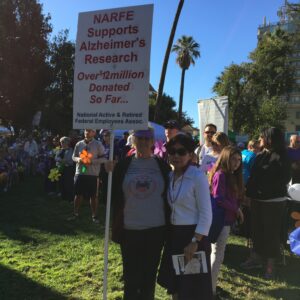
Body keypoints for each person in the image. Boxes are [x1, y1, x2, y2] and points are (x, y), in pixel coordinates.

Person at [111, 127, 171, 300]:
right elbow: (112, 195)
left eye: (147, 138)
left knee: (148, 276)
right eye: (140, 138)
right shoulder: (123, 166)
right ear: (133, 140)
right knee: (130, 276)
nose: (144, 142)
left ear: (153, 141)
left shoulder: (162, 166)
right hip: (130, 228)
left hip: (156, 229)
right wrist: (107, 172)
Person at [158, 134, 213, 300]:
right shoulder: (170, 176)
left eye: (181, 152)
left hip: (193, 236)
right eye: (172, 151)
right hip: (175, 235)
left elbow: (206, 213)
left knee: (191, 287)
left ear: (191, 155)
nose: (176, 155)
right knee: (176, 283)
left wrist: (195, 242)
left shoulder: (197, 177)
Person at [242, 127, 291, 279]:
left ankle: (270, 265)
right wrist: (248, 195)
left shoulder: (283, 156)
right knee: (256, 230)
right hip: (257, 199)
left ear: (270, 138)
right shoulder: (261, 155)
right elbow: (253, 176)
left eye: (262, 137)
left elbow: (282, 179)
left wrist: (263, 184)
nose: (259, 139)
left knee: (271, 233)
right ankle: (256, 258)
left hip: (274, 201)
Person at [208, 146, 244, 297]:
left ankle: (210, 286)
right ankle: (210, 290)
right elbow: (219, 198)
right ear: (226, 157)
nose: (236, 163)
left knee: (217, 254)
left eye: (239, 161)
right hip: (220, 219)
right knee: (217, 254)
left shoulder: (230, 174)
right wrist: (237, 209)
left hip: (225, 219)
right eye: (234, 159)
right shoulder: (221, 174)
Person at [69, 129, 107, 223]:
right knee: (78, 194)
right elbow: (73, 156)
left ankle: (94, 216)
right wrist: (78, 159)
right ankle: (75, 213)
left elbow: (104, 158)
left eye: (90, 131)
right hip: (80, 172)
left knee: (94, 196)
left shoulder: (98, 144)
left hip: (93, 174)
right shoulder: (79, 144)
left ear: (94, 133)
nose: (87, 132)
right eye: (86, 130)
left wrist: (92, 162)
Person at [55, 137, 75, 202]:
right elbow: (56, 158)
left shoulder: (71, 150)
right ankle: (63, 196)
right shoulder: (60, 150)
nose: (61, 143)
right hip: (60, 168)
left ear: (67, 142)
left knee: (68, 183)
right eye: (61, 142)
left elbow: (70, 160)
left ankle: (70, 197)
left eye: (63, 142)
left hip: (68, 168)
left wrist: (63, 161)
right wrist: (61, 160)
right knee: (61, 182)